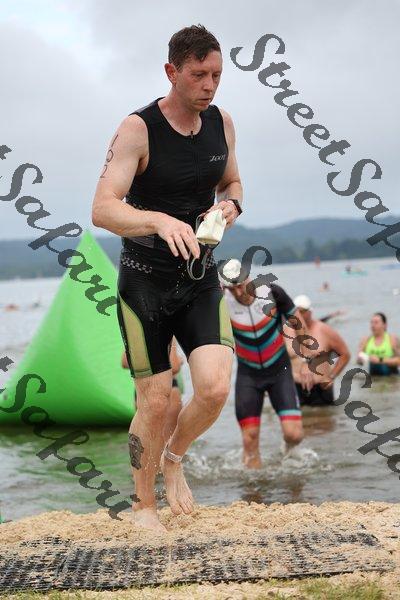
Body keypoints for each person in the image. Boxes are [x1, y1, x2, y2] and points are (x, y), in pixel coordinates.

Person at [92, 25, 241, 531]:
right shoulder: (138, 129)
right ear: (171, 72)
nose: (209, 85)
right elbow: (102, 209)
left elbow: (233, 181)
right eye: (199, 74)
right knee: (155, 401)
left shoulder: (222, 123)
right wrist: (158, 220)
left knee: (214, 388)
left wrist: (232, 205)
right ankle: (143, 506)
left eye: (216, 75)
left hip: (199, 277)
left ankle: (174, 460)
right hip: (145, 283)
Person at [221, 260, 314, 469]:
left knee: (294, 434)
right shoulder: (222, 302)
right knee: (250, 438)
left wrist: (306, 361)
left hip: (279, 370)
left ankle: (288, 451)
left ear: (248, 278)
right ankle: (254, 486)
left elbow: (299, 324)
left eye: (240, 285)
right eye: (232, 288)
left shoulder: (273, 293)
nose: (238, 292)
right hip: (248, 375)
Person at [289, 295, 351, 406]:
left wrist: (332, 377)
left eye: (302, 311)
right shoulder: (287, 332)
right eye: (296, 312)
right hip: (295, 388)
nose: (299, 315)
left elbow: (345, 355)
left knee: (324, 416)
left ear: (310, 312)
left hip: (320, 389)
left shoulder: (324, 330)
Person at [122, 338, 184, 442]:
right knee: (169, 443)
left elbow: (125, 362)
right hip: (167, 388)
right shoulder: (168, 331)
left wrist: (146, 362)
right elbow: (174, 366)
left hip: (142, 390)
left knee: (146, 442)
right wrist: (179, 360)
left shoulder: (136, 332)